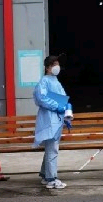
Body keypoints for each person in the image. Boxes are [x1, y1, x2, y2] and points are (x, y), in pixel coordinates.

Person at [34, 55, 72, 189]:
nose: (57, 67)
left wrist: (67, 110)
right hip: (50, 120)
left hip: (56, 119)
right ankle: (52, 179)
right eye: (54, 64)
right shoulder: (44, 81)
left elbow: (62, 97)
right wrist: (58, 106)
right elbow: (41, 98)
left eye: (57, 64)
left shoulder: (55, 81)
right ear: (47, 67)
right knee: (52, 149)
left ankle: (45, 175)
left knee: (51, 148)